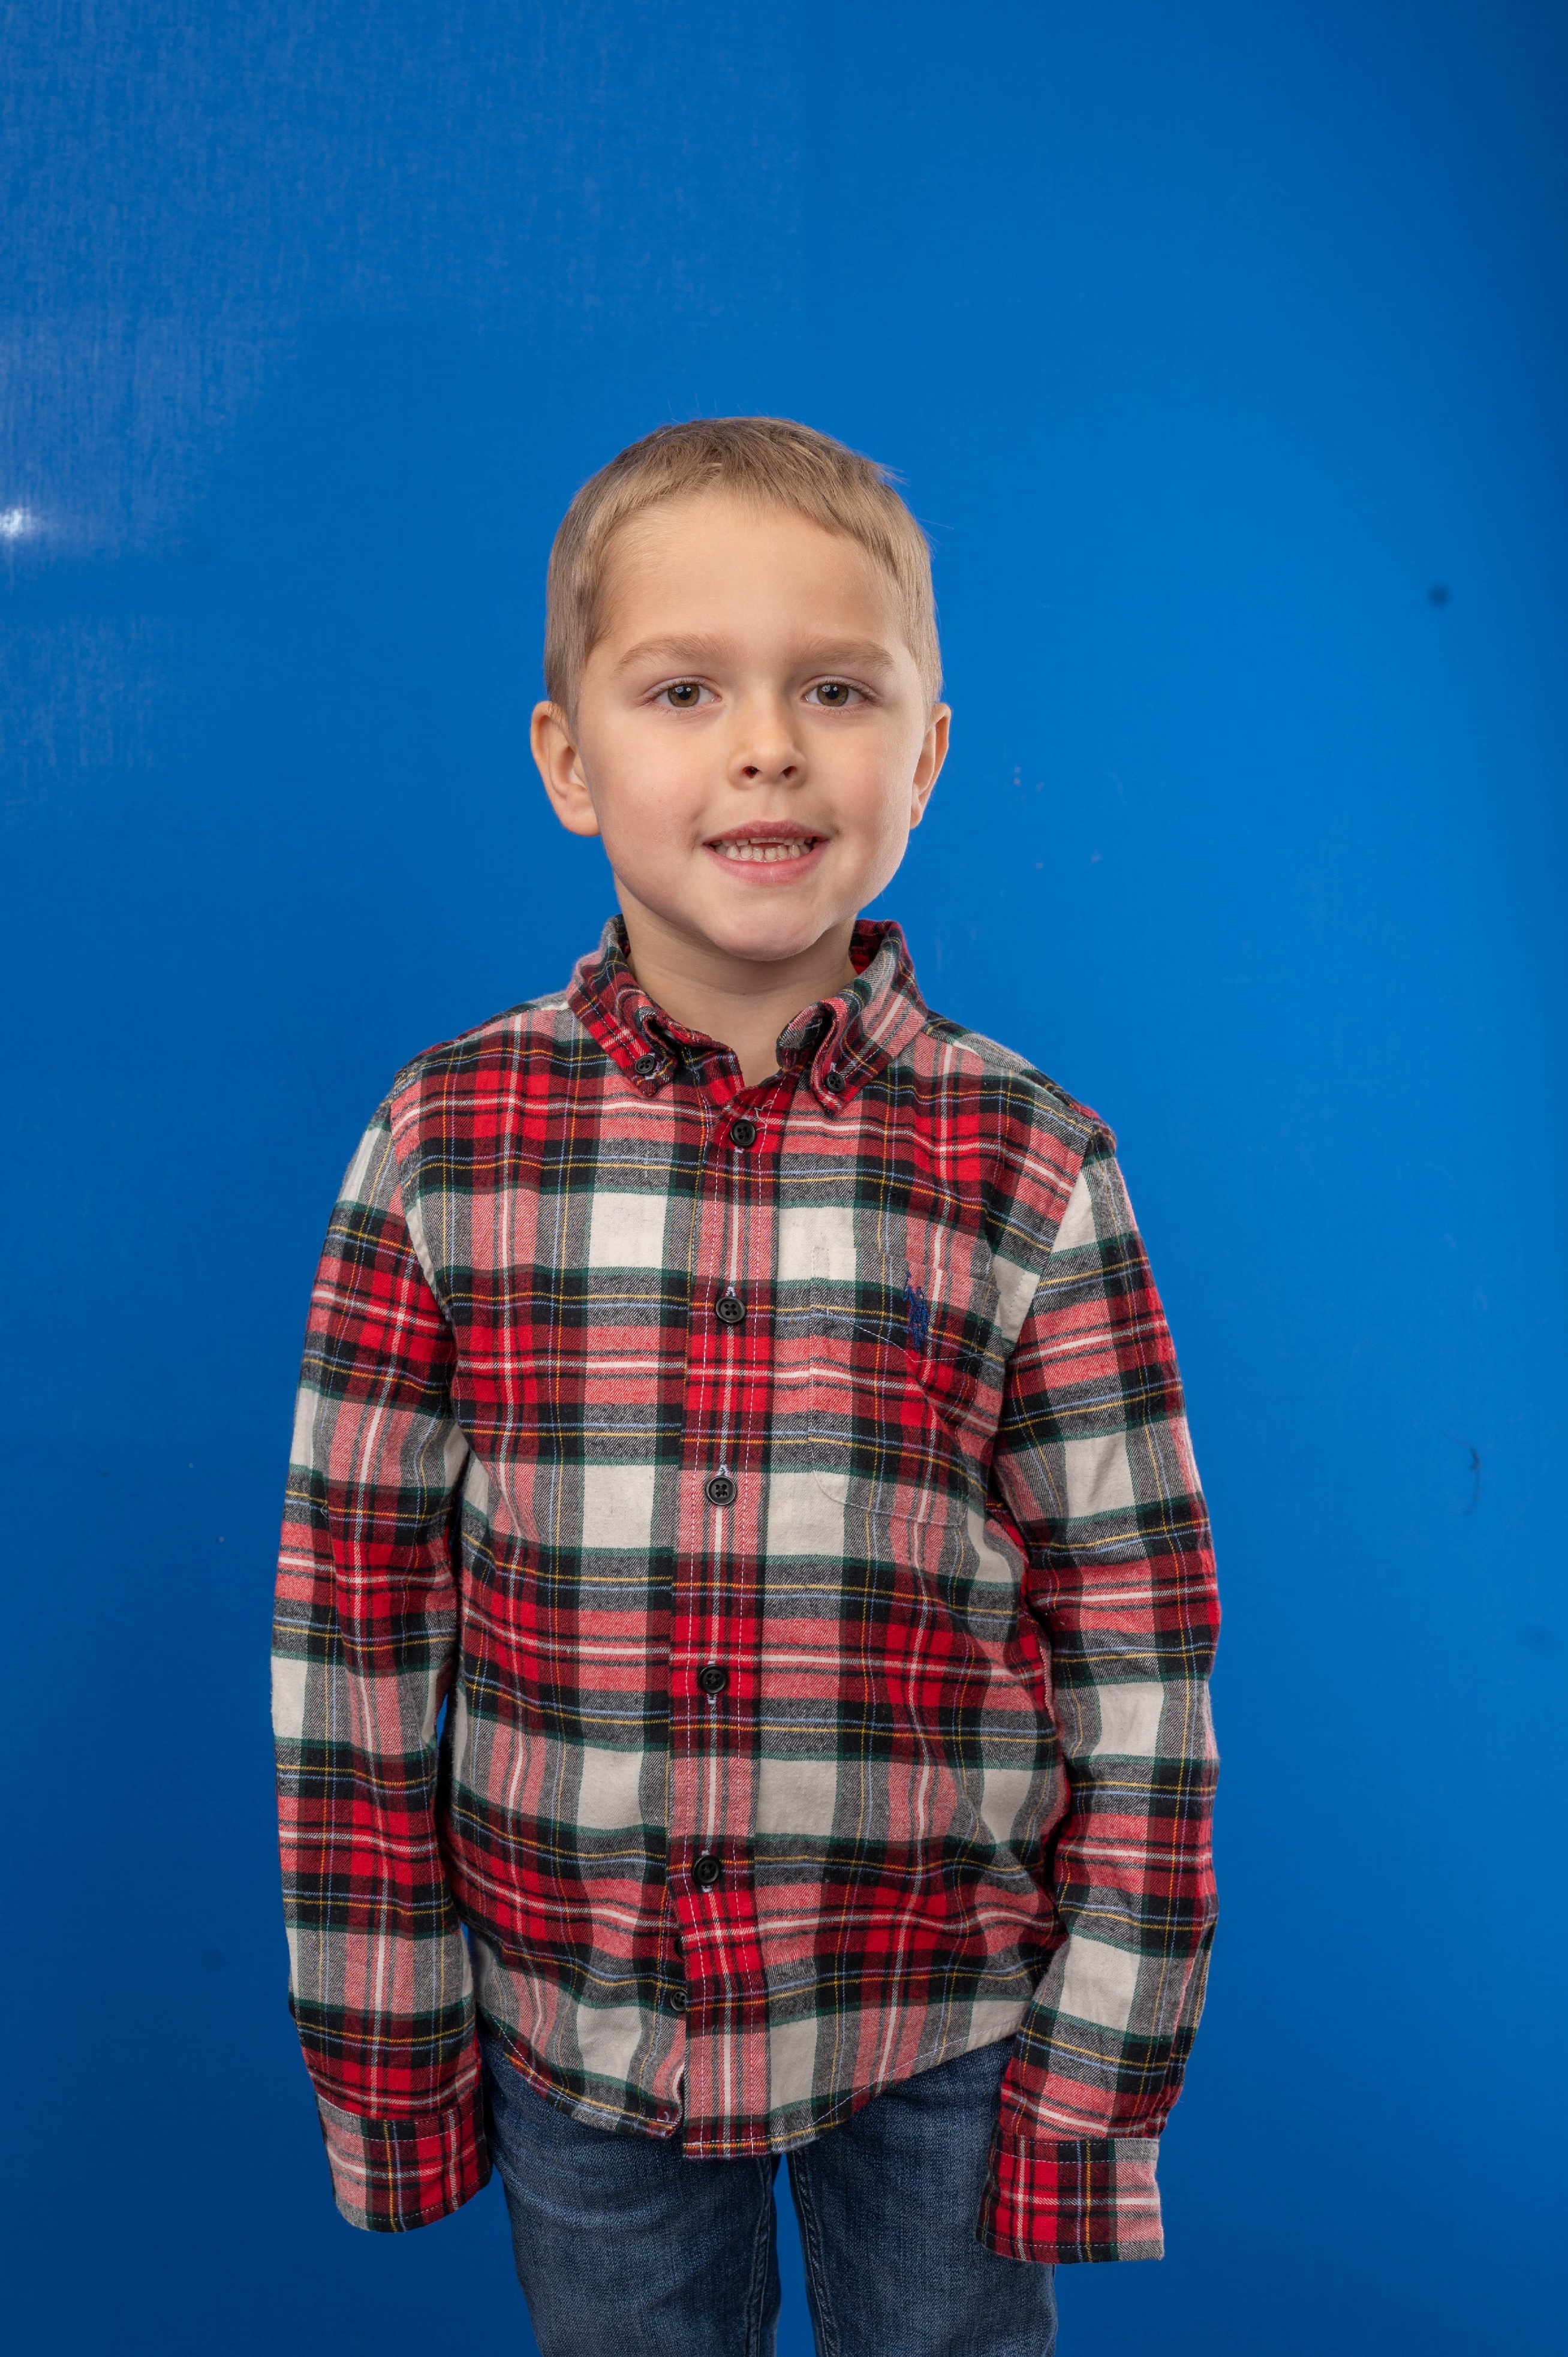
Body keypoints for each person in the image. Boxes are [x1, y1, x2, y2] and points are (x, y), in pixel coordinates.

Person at [272, 417, 1220, 2357]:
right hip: (578, 2025)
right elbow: (354, 1628)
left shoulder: (1034, 1163)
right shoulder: (443, 1143)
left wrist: (1097, 2074)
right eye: (686, 688)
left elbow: (1137, 1643)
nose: (768, 746)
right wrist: (394, 2053)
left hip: (943, 2018)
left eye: (836, 689)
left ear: (925, 753)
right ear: (569, 760)